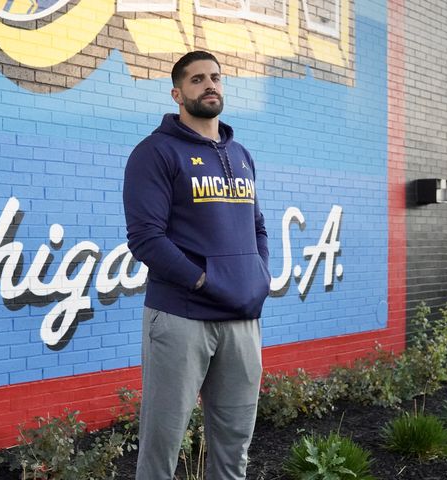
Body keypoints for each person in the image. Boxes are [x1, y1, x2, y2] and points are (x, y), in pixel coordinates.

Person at [122, 50, 270, 480]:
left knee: (234, 448)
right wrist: (204, 280)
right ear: (177, 93)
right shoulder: (155, 153)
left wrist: (259, 274)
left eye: (216, 78)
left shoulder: (241, 153)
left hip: (242, 318)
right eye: (197, 79)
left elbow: (257, 225)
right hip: (181, 316)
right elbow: (145, 238)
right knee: (162, 446)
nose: (210, 85)